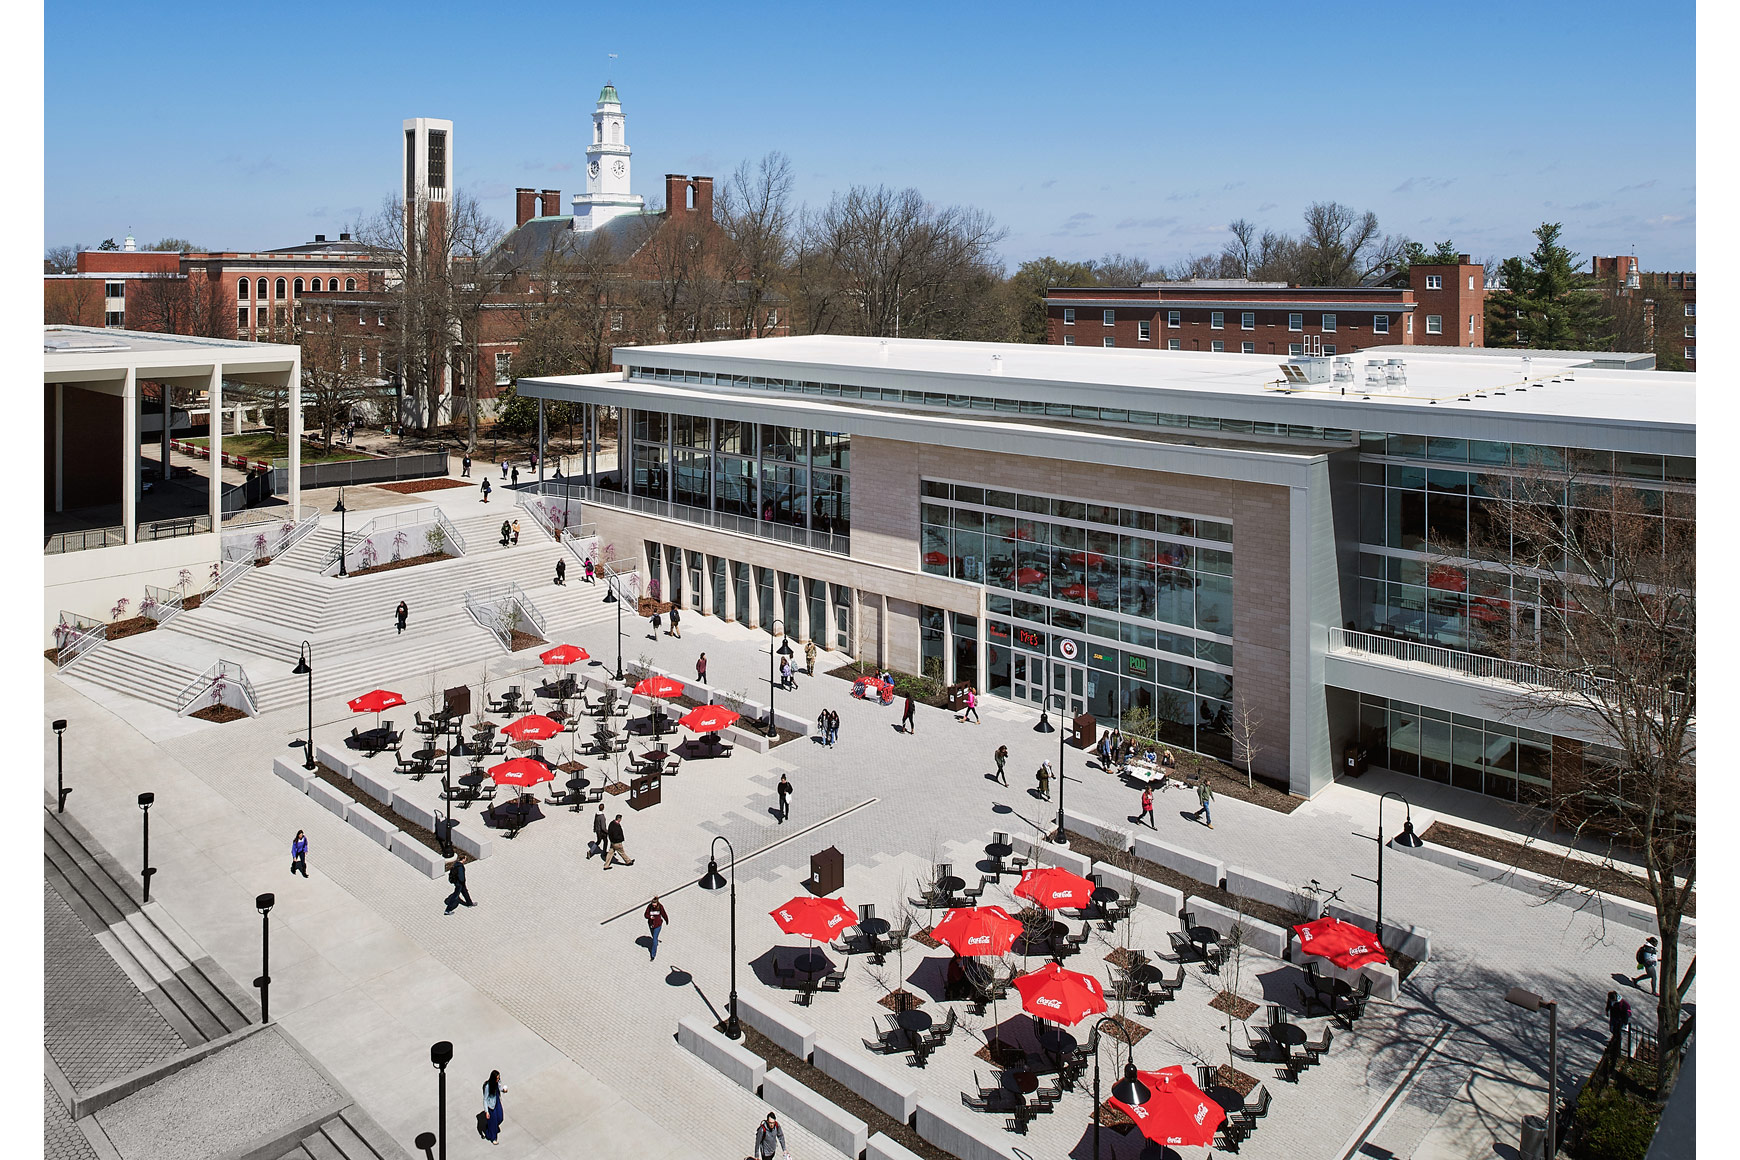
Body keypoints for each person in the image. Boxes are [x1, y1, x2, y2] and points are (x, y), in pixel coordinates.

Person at [480, 1071, 505, 1144]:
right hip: (491, 1105)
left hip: (496, 1101)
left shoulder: (497, 1082)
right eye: (497, 1078)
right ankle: (493, 1138)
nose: (498, 1079)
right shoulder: (488, 1086)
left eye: (498, 1078)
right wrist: (486, 1111)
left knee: (500, 1117)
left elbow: (499, 1088)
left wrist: (503, 1090)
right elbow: (485, 1099)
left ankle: (490, 1127)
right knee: (493, 1121)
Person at [644, 895, 670, 961]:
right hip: (651, 925)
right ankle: (655, 942)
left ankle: (653, 955)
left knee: (654, 939)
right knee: (654, 937)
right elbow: (646, 915)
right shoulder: (649, 907)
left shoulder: (660, 907)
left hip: (658, 925)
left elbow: (664, 914)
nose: (654, 906)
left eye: (655, 905)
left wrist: (666, 920)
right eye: (653, 905)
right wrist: (650, 917)